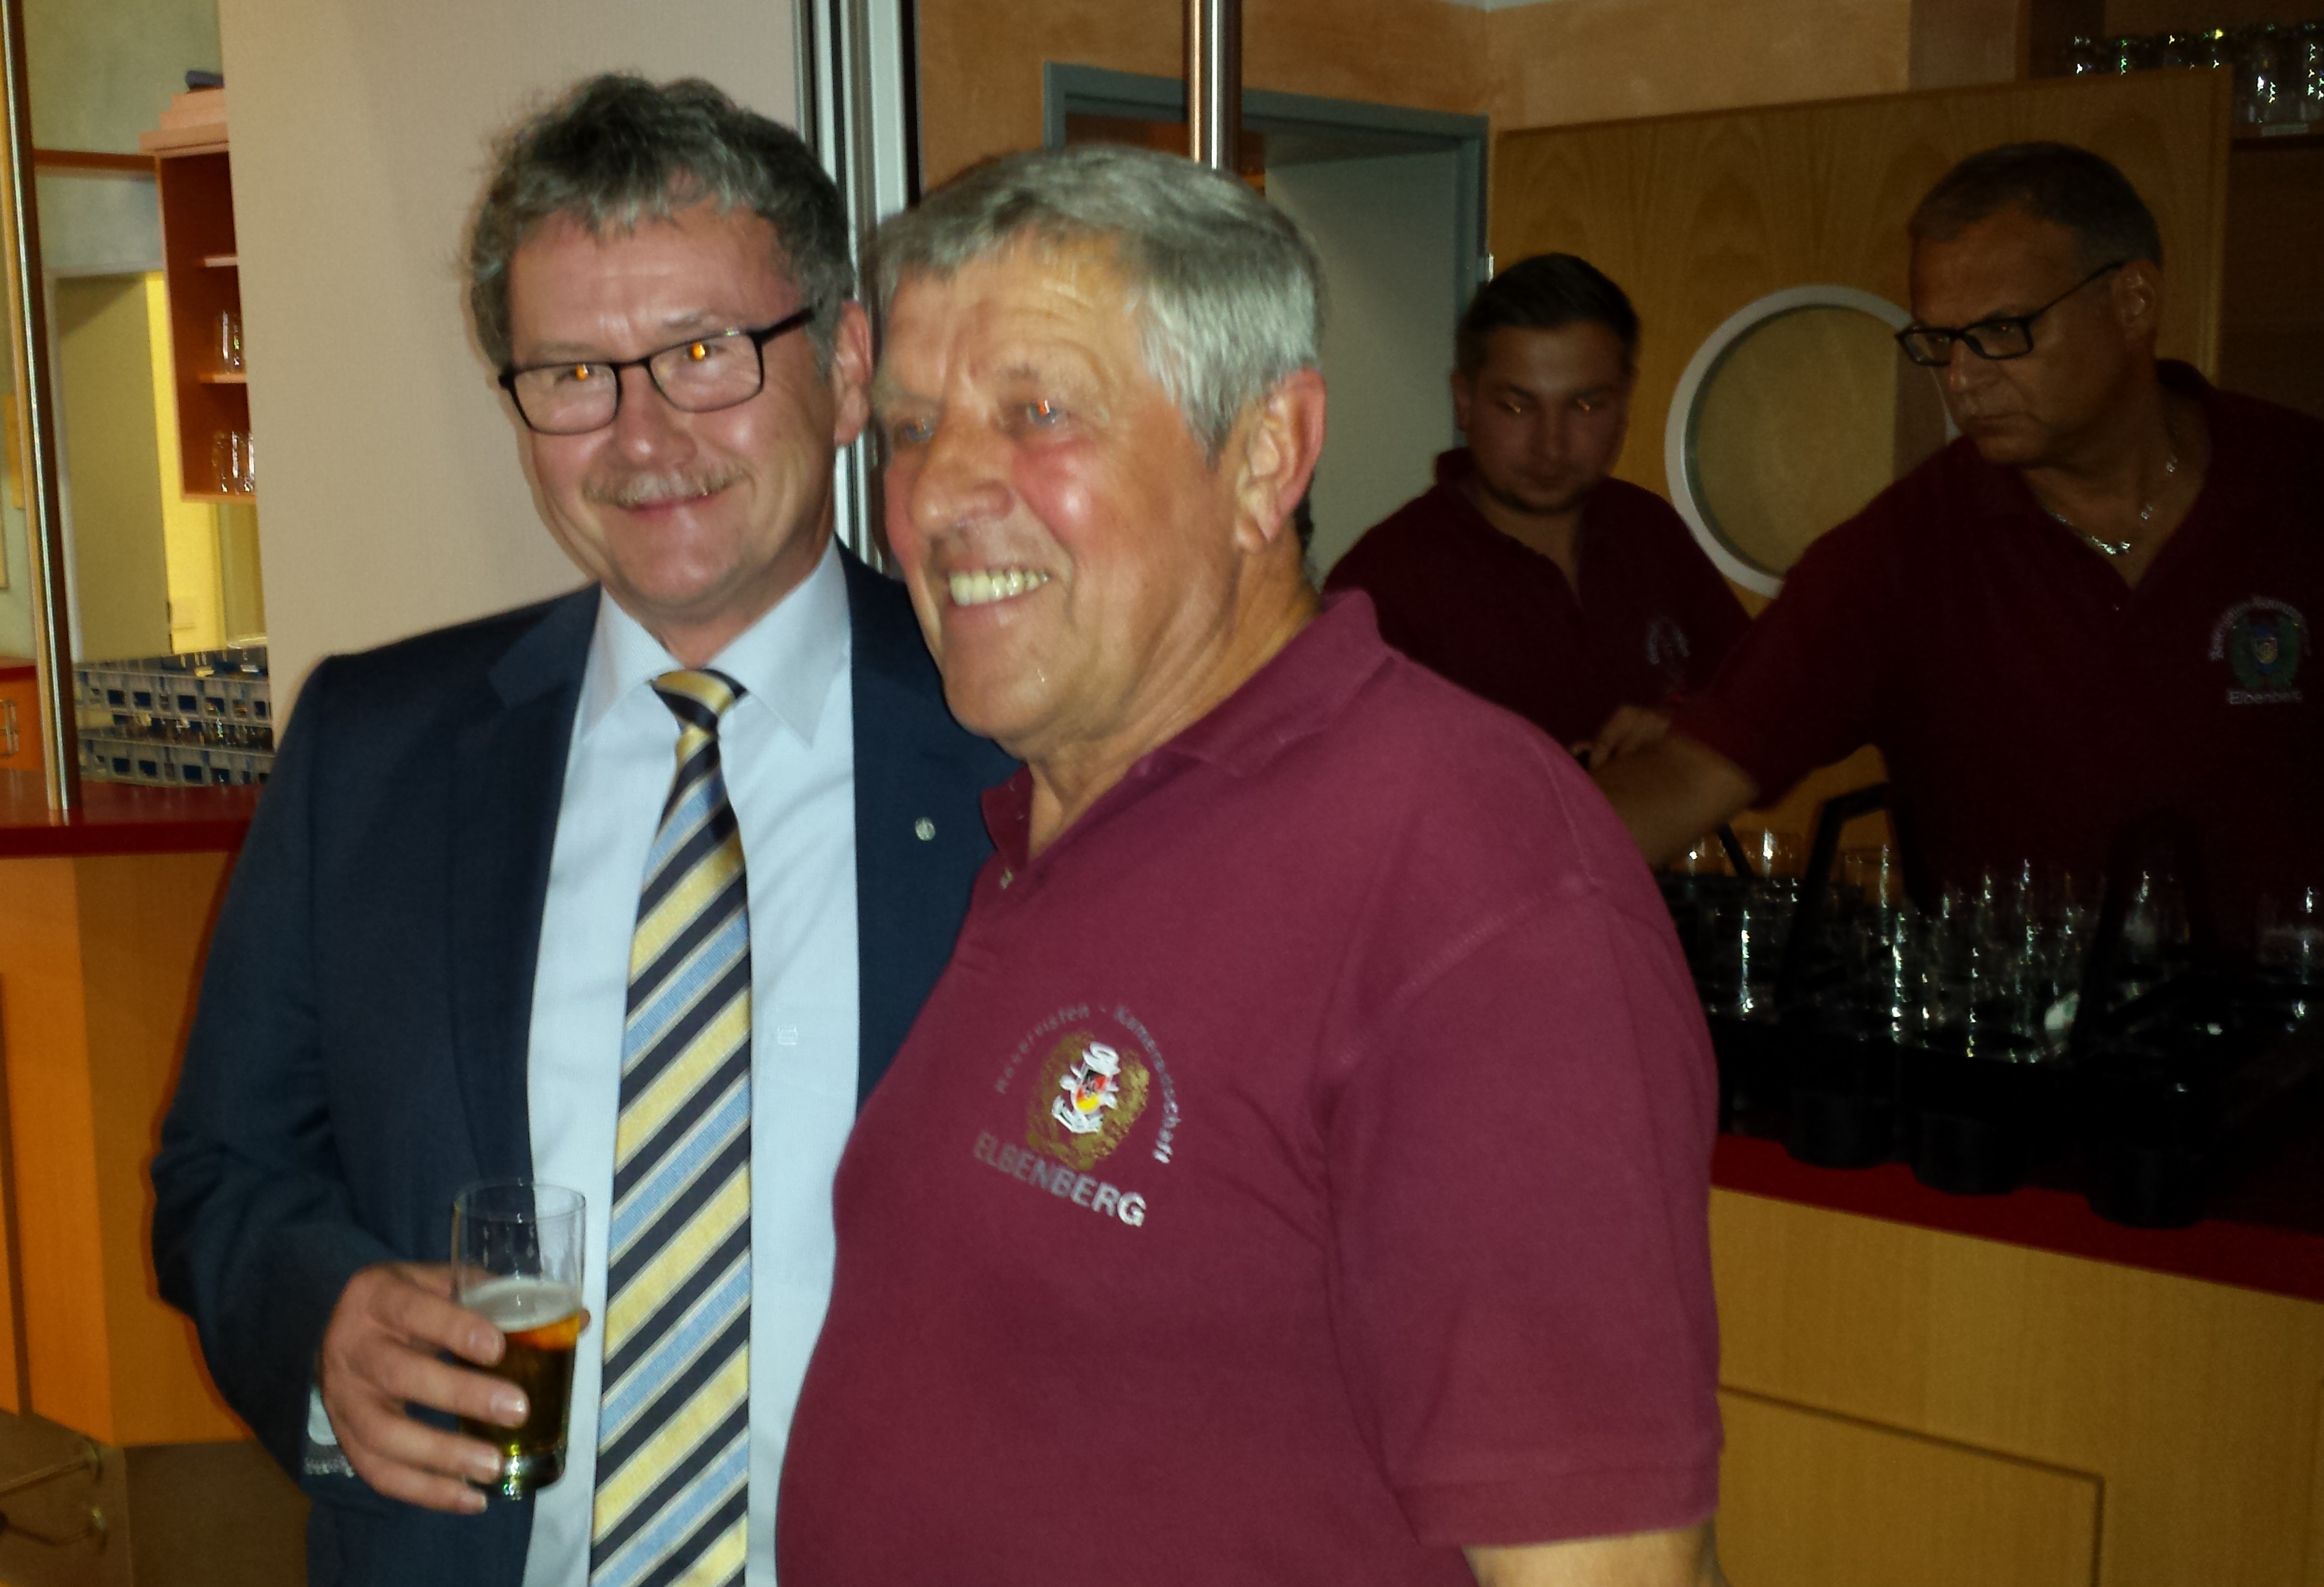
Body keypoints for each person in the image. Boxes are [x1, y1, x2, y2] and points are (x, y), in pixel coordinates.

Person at [776, 144, 1725, 1586]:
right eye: (909, 429)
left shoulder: (1471, 877)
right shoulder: (1043, 818)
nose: (936, 495)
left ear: (1266, 454)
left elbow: (1606, 1572)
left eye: (1038, 412)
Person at [150, 76, 1013, 1587]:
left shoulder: (1020, 749)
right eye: (571, 374)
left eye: (704, 352)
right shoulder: (372, 750)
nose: (642, 435)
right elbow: (221, 1172)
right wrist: (322, 1326)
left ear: (846, 366)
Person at [1595, 142, 2323, 948]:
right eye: (1940, 342)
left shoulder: (2298, 484)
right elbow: (1695, 773)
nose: (1963, 379)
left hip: (2290, 1014)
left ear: (2133, 301)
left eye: (2002, 331)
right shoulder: (1903, 550)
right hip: (2027, 1017)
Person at [1323, 254, 1749, 764]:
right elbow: (1345, 786)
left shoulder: (1650, 531)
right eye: (1517, 406)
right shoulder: (1383, 585)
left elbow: (1759, 707)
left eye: (1585, 405)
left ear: (1625, 401)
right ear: (1464, 401)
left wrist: (1683, 725)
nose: (1551, 446)